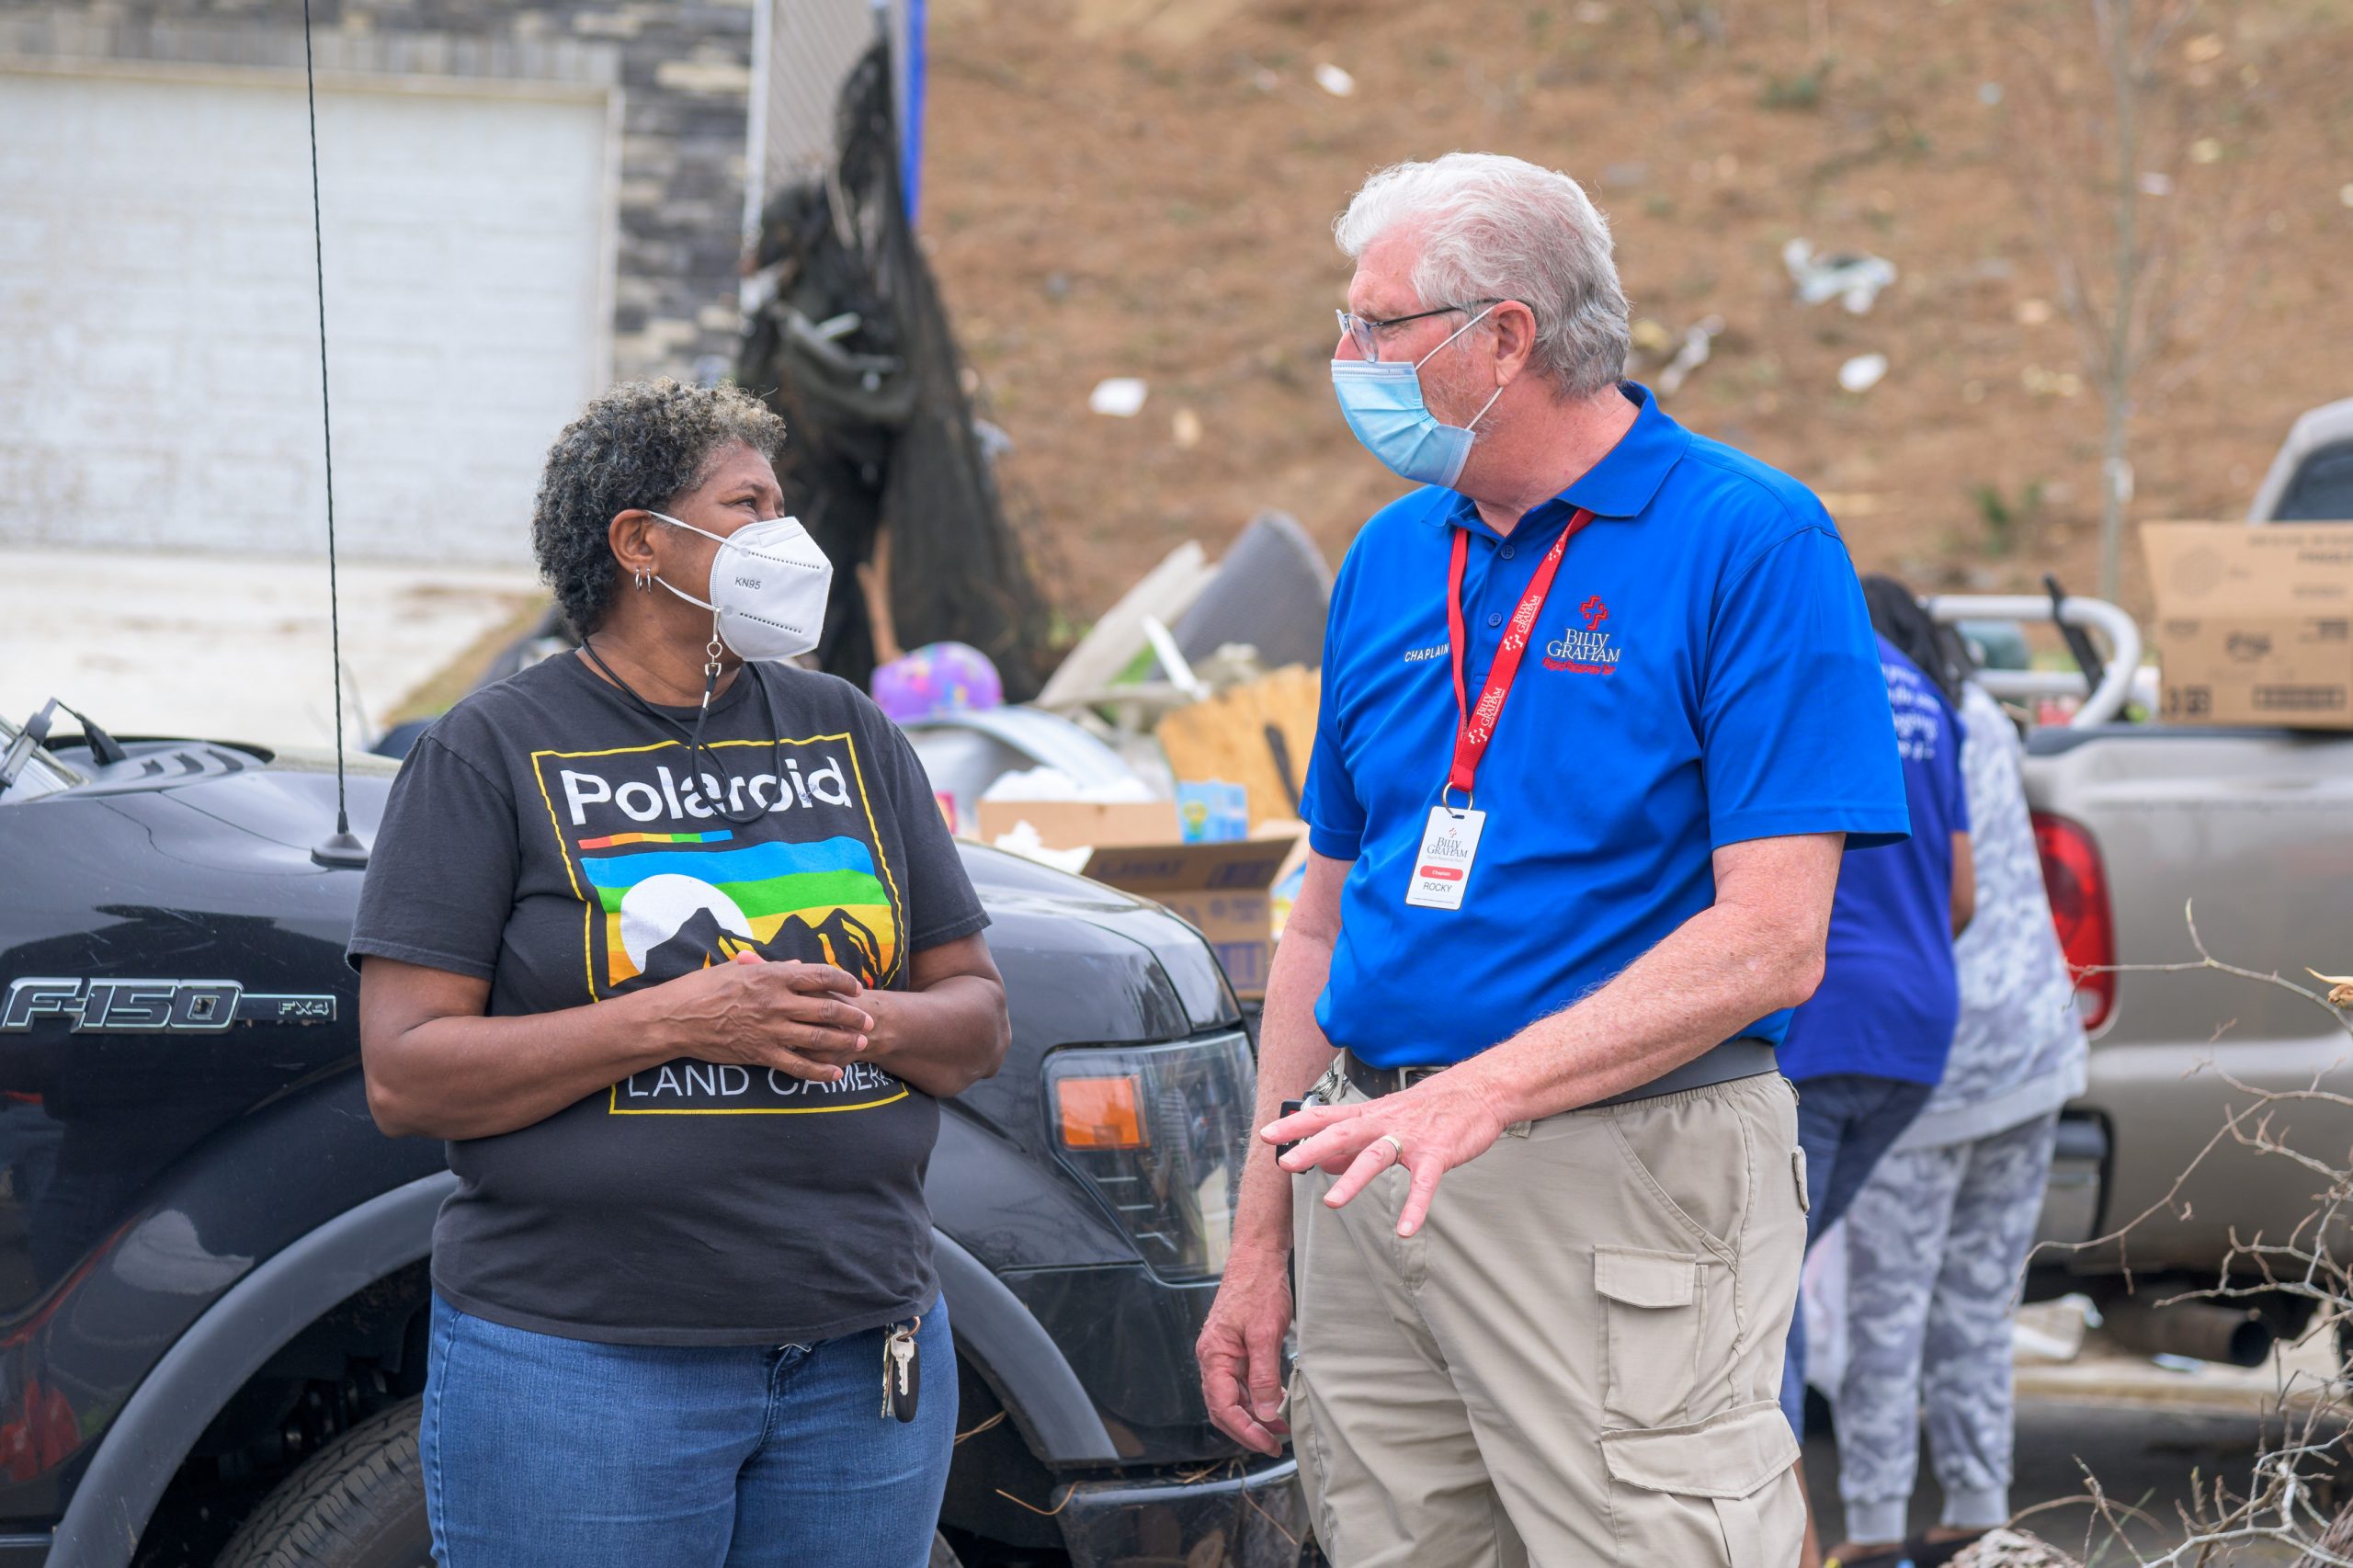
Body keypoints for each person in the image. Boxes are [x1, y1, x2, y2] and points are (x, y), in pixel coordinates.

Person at [1193, 152, 1909, 1568]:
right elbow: (1323, 923)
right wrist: (1260, 1237)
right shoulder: (1394, 557)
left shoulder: (1750, 540)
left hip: (1615, 1165)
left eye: (1377, 325)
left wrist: (1482, 1095)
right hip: (1371, 1167)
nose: (1346, 360)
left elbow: (1773, 938)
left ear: (1506, 335)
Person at [349, 379, 1009, 1568]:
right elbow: (407, 1074)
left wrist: (852, 1018)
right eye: (747, 503)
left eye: (781, 502)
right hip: (587, 1365)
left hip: (860, 1354)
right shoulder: (491, 750)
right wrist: (684, 1014)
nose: (785, 535)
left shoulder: (849, 729)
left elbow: (974, 1017)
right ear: (641, 543)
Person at [1820, 585, 2089, 1568]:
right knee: (1980, 1296)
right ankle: (1975, 1510)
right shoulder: (1974, 714)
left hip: (1926, 1041)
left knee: (1883, 1304)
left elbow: (1938, 895)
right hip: (2036, 1040)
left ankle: (1876, 1526)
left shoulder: (1861, 715)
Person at [1777, 579, 1976, 1568]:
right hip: (1915, 1025)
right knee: (1779, 1268)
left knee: (1758, 1289)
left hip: (1816, 1023)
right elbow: (1961, 887)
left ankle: (1791, 1545)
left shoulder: (1800, 670)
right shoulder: (1923, 695)